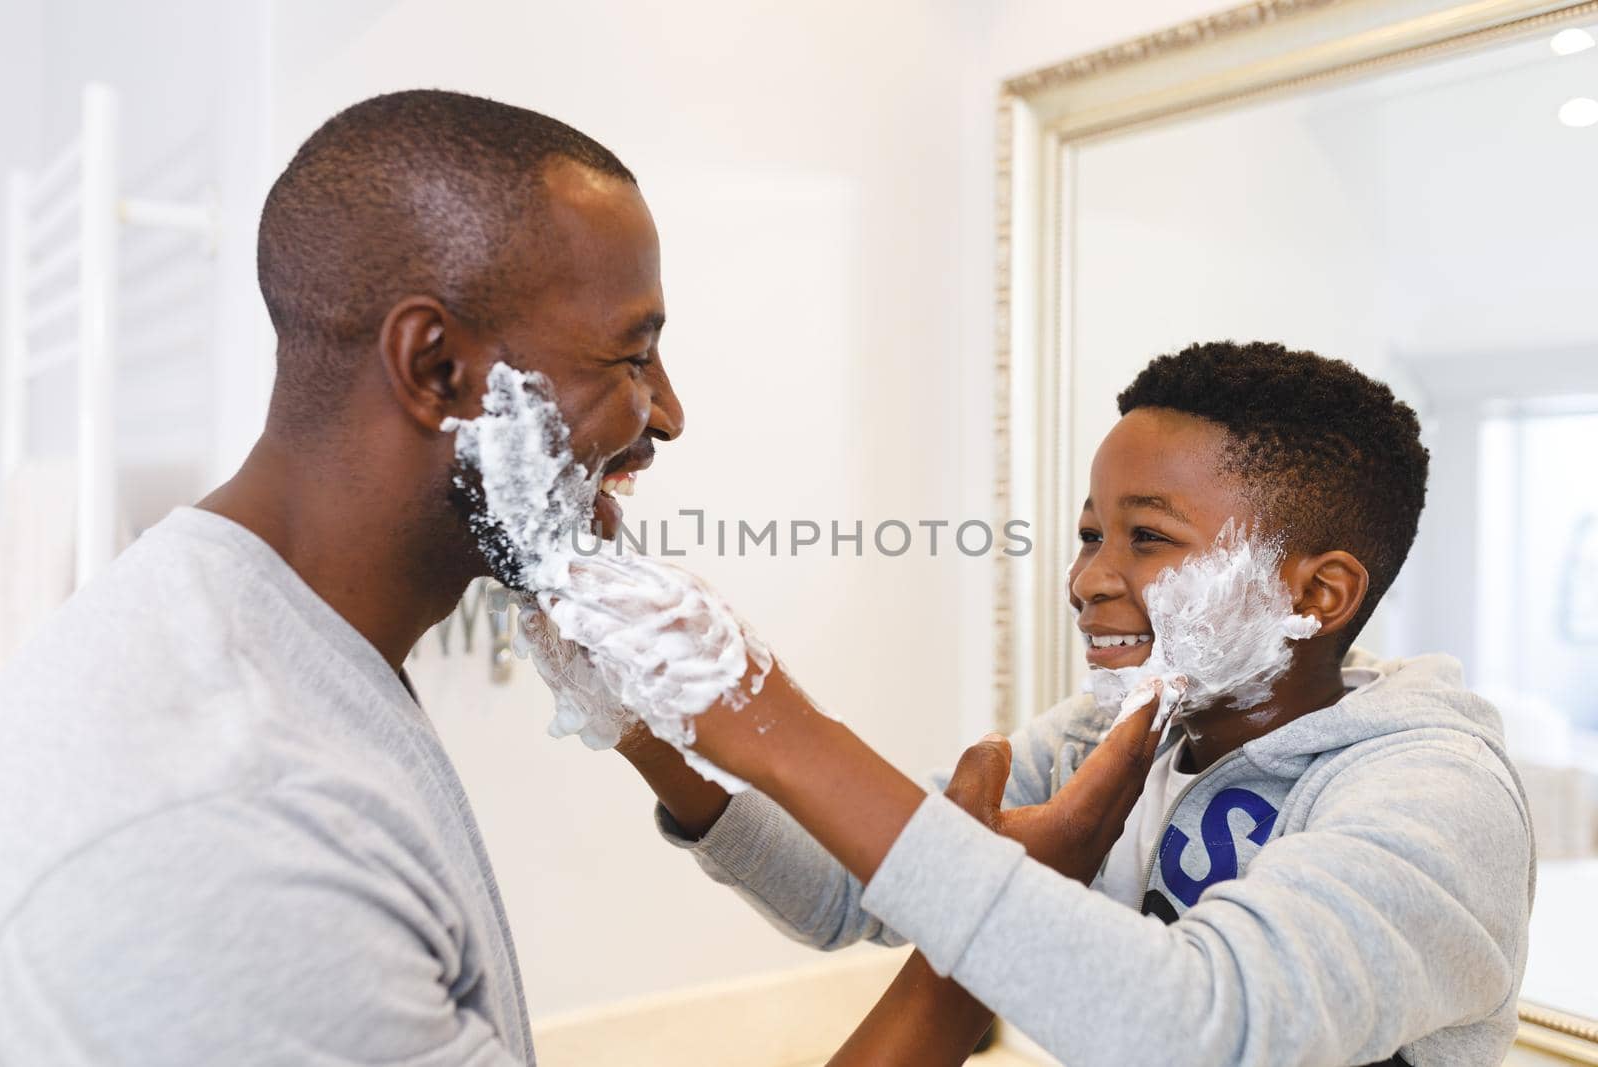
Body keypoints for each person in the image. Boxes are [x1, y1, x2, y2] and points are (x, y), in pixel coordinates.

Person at [613, 341, 1536, 1066]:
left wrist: (787, 730)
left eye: (1148, 536)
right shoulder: (1113, 733)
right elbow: (844, 891)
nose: (1088, 577)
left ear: (1317, 594)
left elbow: (1203, 1031)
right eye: (1091, 531)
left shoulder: (1432, 796)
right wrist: (643, 722)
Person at [0, 89, 684, 1064]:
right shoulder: (233, 816)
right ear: (436, 366)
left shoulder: (279, 641)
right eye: (634, 354)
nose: (667, 415)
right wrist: (950, 979)